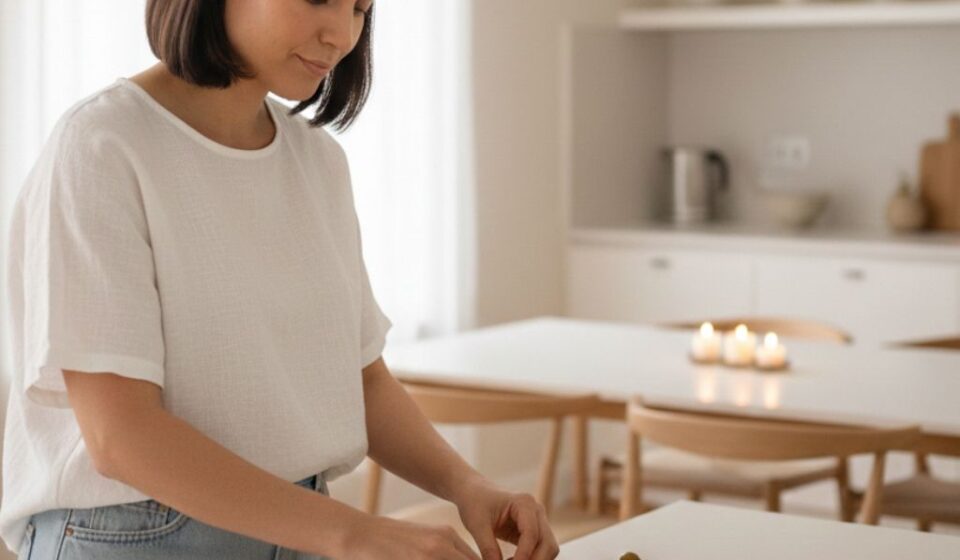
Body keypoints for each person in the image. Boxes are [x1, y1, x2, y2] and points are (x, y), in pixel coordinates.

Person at [0, 1, 560, 559]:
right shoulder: (102, 145)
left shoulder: (317, 160)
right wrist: (353, 531)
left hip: (301, 528)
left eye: (361, 8)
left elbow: (361, 378)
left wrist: (470, 487)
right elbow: (120, 437)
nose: (340, 33)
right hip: (134, 536)